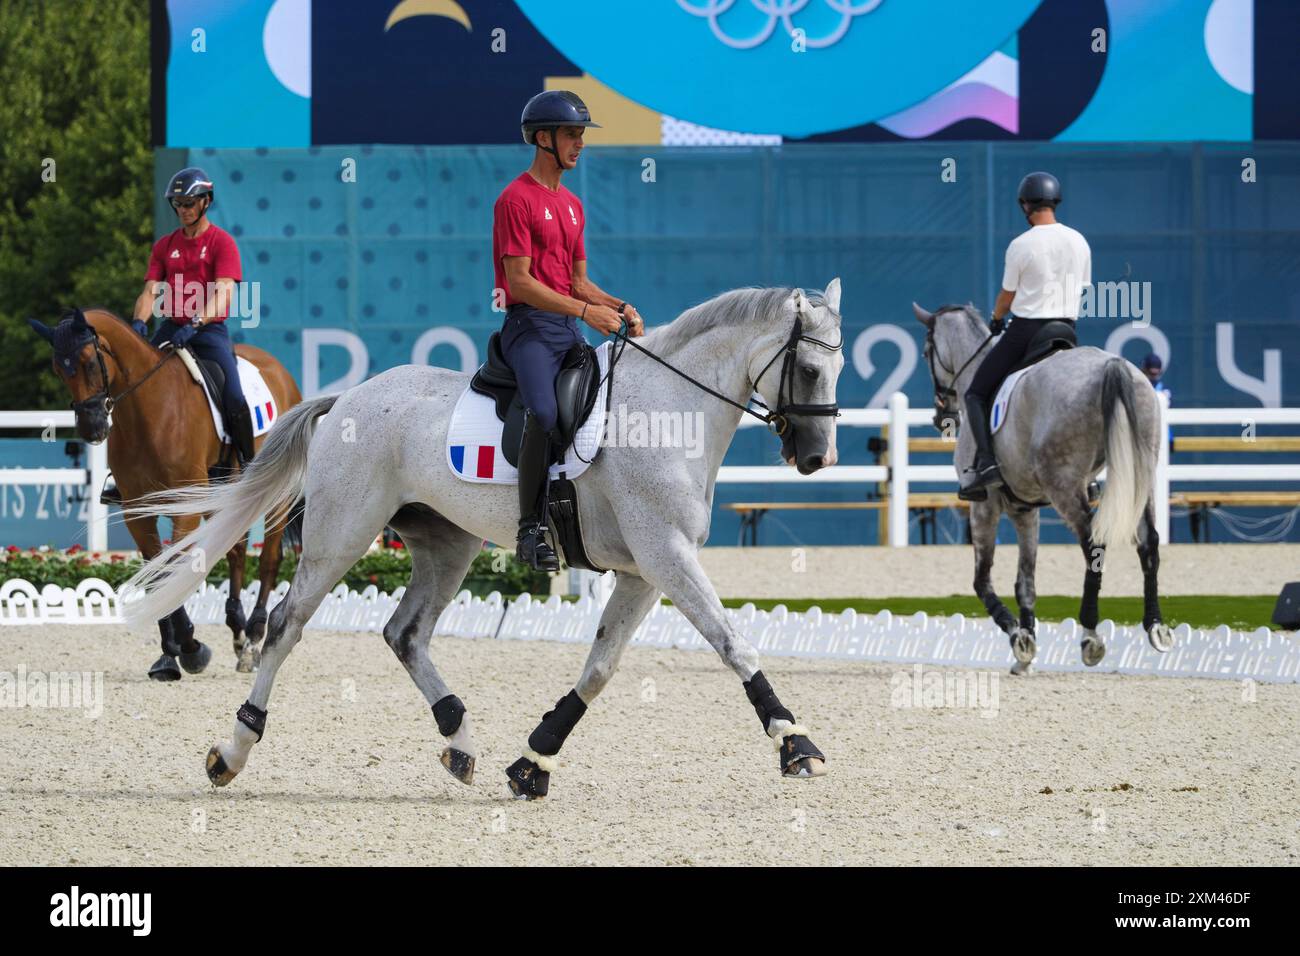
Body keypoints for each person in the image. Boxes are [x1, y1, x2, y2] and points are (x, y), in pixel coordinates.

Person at [493, 90, 644, 570]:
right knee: (541, 412)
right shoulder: (514, 199)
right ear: (543, 138)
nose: (580, 143)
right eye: (571, 134)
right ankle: (528, 529)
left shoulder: (574, 205)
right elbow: (520, 281)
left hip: (566, 330)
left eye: (581, 134)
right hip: (529, 329)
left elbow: (578, 281)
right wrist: (584, 312)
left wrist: (617, 305)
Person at [959, 171, 1092, 501]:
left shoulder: (1022, 244)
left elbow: (1007, 295)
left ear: (1024, 205)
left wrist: (996, 318)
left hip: (1028, 330)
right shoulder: (1079, 241)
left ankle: (986, 464)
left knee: (976, 393)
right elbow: (1083, 289)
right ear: (1055, 202)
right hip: (1067, 330)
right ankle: (1088, 474)